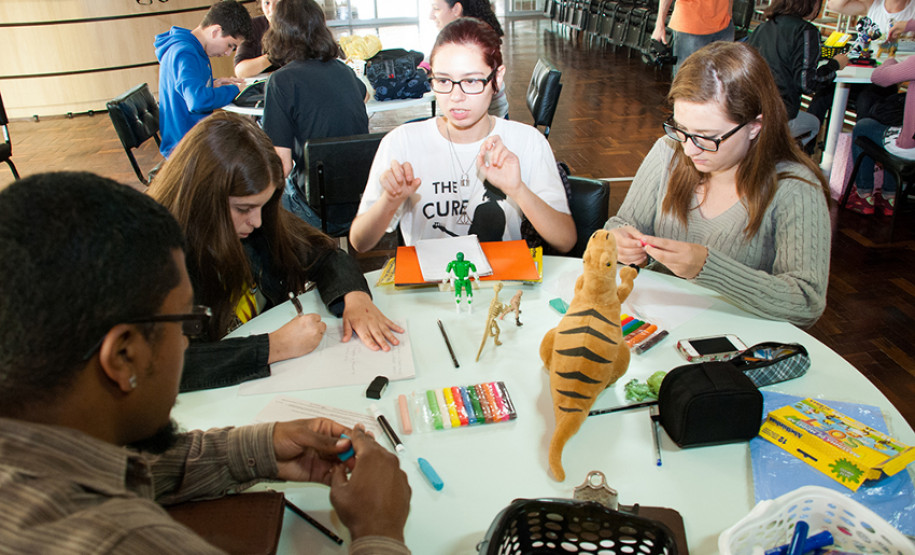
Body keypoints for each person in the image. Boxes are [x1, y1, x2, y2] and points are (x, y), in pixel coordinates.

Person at [0, 171, 411, 553]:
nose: (186, 344)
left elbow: (134, 465)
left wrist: (257, 447)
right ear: (123, 356)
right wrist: (379, 529)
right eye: (186, 323)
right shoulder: (122, 540)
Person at [147, 112, 402, 392]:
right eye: (243, 209)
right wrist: (273, 347)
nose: (256, 222)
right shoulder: (156, 259)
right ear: (204, 196)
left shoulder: (257, 222)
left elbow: (325, 253)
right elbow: (167, 364)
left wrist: (354, 297)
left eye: (263, 206)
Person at [604, 42, 831, 328]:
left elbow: (806, 303)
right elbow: (620, 223)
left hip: (738, 340)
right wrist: (618, 241)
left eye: (706, 137)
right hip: (658, 327)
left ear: (755, 126)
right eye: (681, 129)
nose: (689, 150)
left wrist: (707, 268)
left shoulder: (796, 188)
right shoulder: (668, 151)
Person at [349, 18, 575, 254]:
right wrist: (389, 201)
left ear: (497, 78)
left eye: (471, 81)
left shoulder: (527, 141)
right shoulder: (401, 142)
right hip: (429, 287)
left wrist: (518, 190)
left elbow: (565, 240)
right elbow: (360, 242)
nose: (456, 96)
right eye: (444, 80)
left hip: (502, 285)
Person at [261, 0, 370, 234]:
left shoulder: (281, 82)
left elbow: (282, 166)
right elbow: (365, 94)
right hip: (360, 206)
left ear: (278, 32)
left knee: (260, 198)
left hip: (314, 211)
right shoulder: (345, 71)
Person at [155, 0, 253, 158]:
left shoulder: (191, 47)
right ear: (215, 31)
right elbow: (197, 101)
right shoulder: (185, 53)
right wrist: (235, 89)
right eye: (230, 45)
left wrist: (213, 85)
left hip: (192, 138)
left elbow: (183, 89)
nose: (228, 53)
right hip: (185, 149)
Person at [747, 0, 848, 148]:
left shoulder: (761, 28)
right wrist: (834, 65)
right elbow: (807, 84)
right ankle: (783, 162)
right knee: (813, 124)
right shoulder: (807, 31)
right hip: (781, 114)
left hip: (752, 111)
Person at [846, 20, 915, 216]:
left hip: (909, 148)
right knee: (896, 125)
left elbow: (880, 78)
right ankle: (889, 197)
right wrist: (908, 25)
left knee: (863, 126)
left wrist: (890, 62)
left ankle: (864, 193)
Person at [429, 0, 509, 117]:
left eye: (436, 8)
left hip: (488, 120)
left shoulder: (476, 43)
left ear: (456, 9)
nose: (431, 16)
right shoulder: (455, 38)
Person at [651, 0, 734, 77]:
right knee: (688, 82)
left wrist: (729, 12)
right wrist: (659, 25)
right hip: (691, 27)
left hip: (724, 25)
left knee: (723, 81)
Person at [234, 0, 277, 78]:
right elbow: (240, 70)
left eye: (279, 3)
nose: (272, 9)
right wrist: (273, 57)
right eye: (267, 3)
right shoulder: (254, 26)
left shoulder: (303, 23)